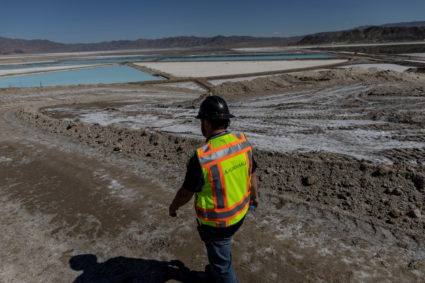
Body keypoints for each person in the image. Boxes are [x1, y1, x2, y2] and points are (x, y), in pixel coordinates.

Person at [169, 95, 259, 283]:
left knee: (222, 266)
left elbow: (186, 192)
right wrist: (255, 197)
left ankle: (218, 275)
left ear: (208, 123)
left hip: (218, 224)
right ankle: (214, 273)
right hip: (240, 212)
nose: (201, 125)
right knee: (218, 255)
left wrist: (174, 206)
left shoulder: (202, 157)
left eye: (202, 121)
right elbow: (252, 174)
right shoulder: (241, 142)